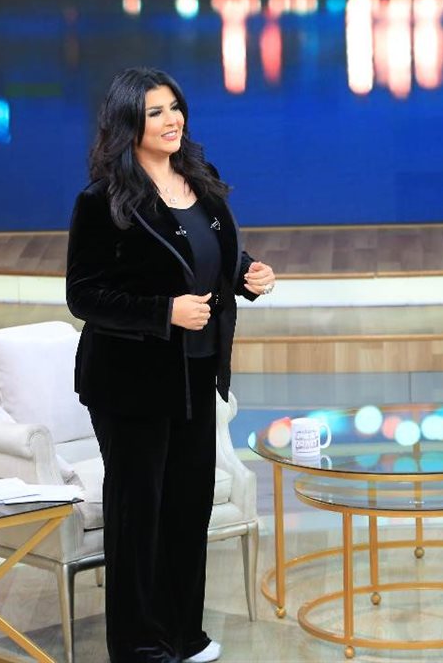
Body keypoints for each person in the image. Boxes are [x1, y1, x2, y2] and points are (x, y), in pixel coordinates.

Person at [66, 67, 276, 663]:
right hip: (130, 383)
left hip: (196, 372)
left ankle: (184, 635)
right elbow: (84, 295)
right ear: (128, 123)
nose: (171, 120)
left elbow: (210, 258)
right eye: (155, 111)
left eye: (174, 107)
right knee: (139, 516)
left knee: (188, 508)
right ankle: (139, 646)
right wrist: (164, 312)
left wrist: (246, 274)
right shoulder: (102, 201)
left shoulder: (199, 181)